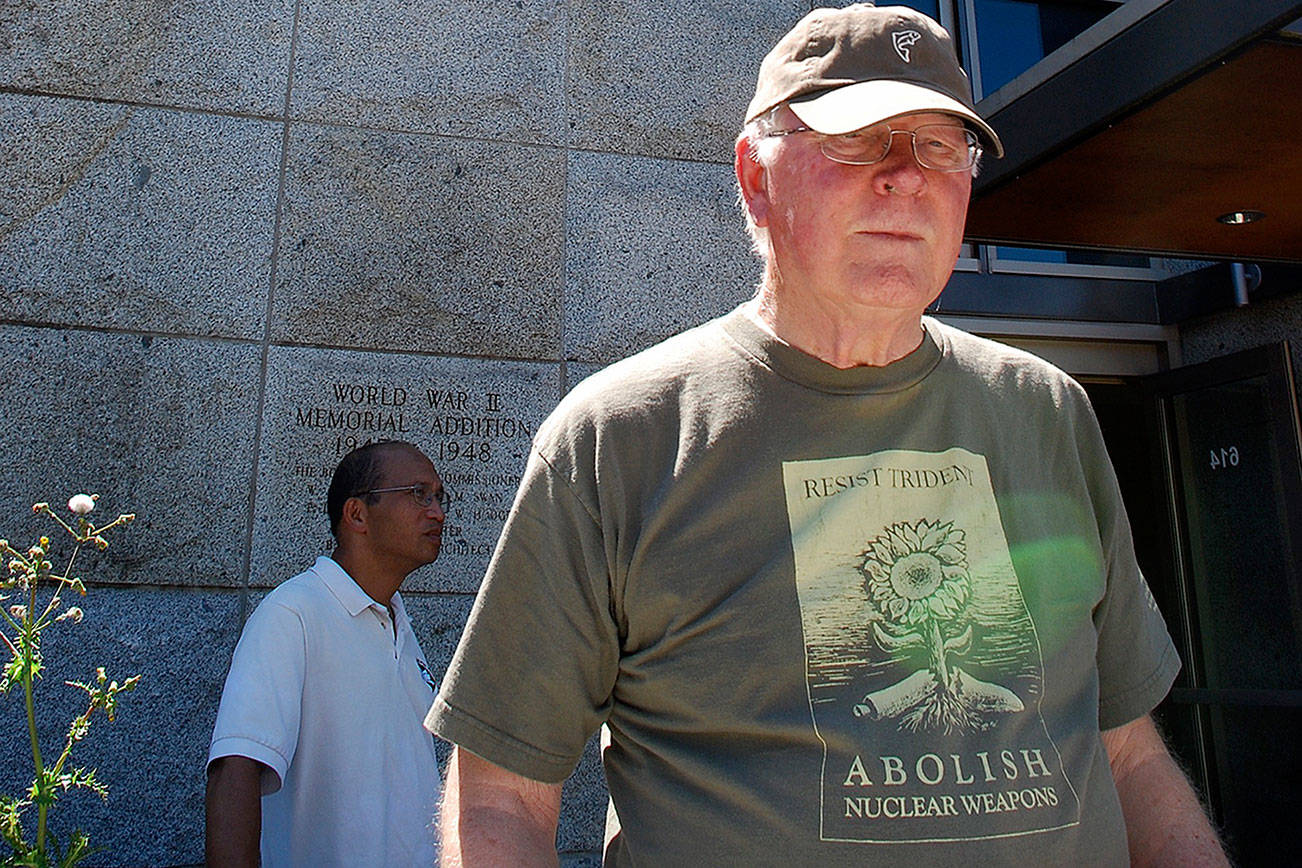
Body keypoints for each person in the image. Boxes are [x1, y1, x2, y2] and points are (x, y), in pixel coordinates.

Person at [428, 5, 1228, 865]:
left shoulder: (1047, 411)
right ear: (755, 176)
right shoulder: (619, 436)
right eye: (859, 139)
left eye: (938, 146)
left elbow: (1130, 753)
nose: (904, 177)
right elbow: (501, 799)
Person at [206, 440, 446, 866]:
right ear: (357, 514)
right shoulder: (292, 614)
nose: (437, 512)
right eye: (418, 494)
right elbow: (236, 766)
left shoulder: (401, 631)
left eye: (438, 497)